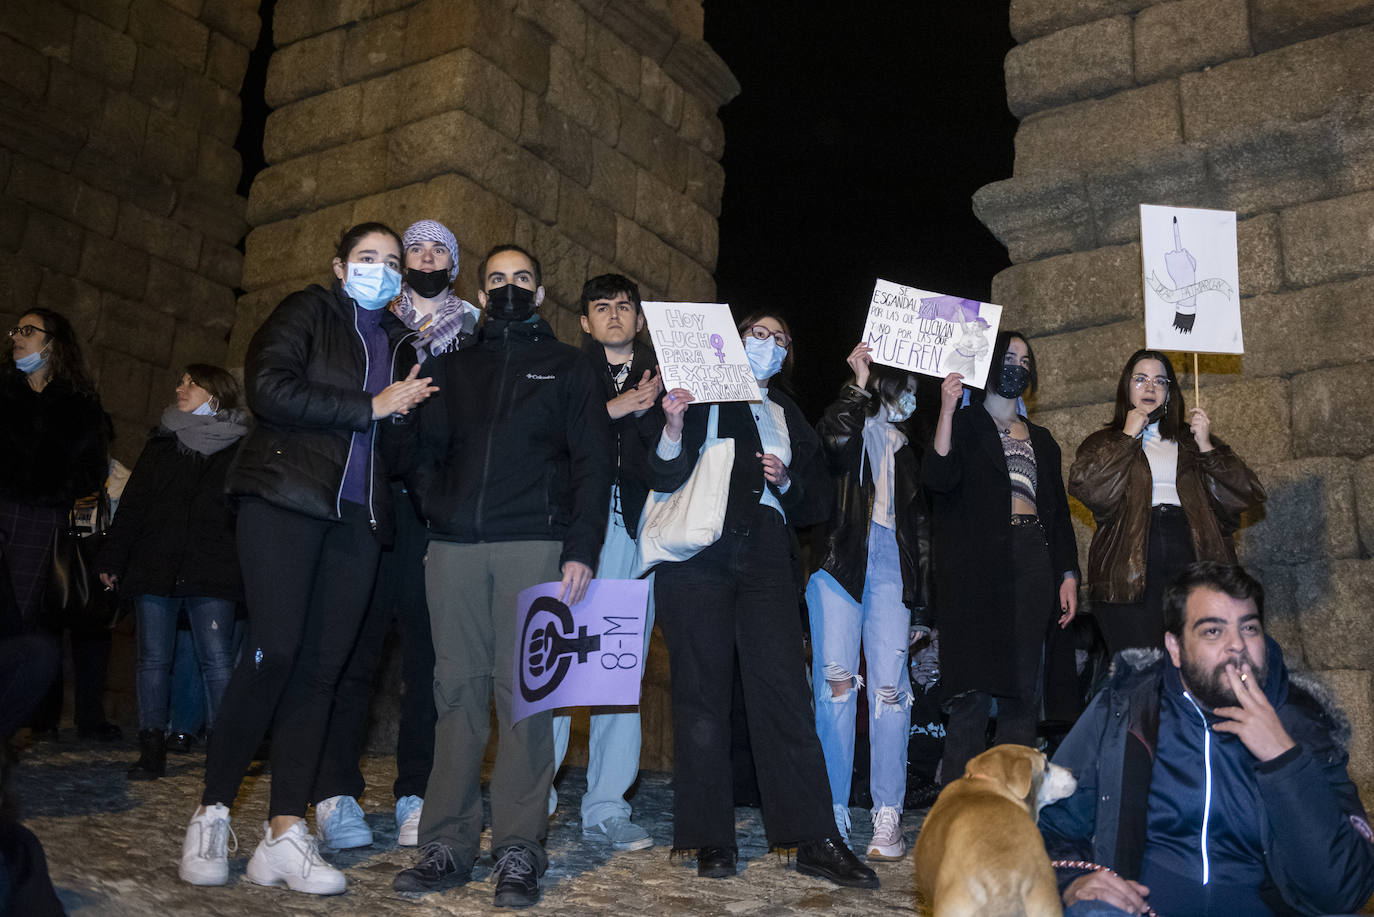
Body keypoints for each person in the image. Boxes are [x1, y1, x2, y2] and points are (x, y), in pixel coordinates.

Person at [177, 221, 437, 895]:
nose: (379, 269)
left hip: (358, 519)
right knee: (274, 652)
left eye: (390, 262)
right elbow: (269, 388)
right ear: (339, 266)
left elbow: (398, 455)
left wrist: (405, 418)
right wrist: (370, 403)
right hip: (287, 498)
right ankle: (210, 810)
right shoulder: (307, 312)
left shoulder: (404, 342)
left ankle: (285, 831)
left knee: (321, 671)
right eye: (366, 258)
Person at [392, 244, 611, 908]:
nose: (510, 287)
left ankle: (519, 845)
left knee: (528, 697)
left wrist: (581, 548)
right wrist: (439, 507)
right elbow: (422, 451)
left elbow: (592, 463)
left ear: (541, 294)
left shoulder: (570, 368)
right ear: (481, 296)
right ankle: (448, 841)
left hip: (536, 546)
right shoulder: (453, 367)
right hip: (456, 548)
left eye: (522, 278)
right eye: (497, 279)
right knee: (454, 692)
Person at [649, 313, 878, 888]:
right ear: (733, 337)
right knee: (701, 694)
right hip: (699, 554)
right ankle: (711, 839)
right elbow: (658, 470)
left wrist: (786, 482)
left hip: (768, 556)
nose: (769, 344)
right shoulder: (694, 393)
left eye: (781, 338)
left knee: (783, 691)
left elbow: (816, 502)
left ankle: (813, 836)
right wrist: (673, 424)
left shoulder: (786, 414)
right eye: (758, 334)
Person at [1039, 561, 1374, 916]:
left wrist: (1283, 759)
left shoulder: (1301, 723)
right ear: (1175, 647)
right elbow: (1045, 826)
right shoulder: (1128, 710)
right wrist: (1069, 884)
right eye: (1213, 631)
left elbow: (1343, 892)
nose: (1237, 647)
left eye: (1249, 628)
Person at [310, 218, 477, 851]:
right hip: (373, 495)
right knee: (352, 646)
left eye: (441, 248)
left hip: (436, 509)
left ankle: (417, 790)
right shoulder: (375, 321)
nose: (427, 256)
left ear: (454, 264)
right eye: (417, 248)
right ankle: (335, 791)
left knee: (429, 655)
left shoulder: (476, 333)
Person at [923, 330, 1080, 785]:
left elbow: (1058, 512)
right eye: (1009, 356)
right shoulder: (968, 423)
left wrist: (1067, 573)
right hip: (975, 566)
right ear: (989, 364)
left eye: (1026, 359)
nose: (1019, 364)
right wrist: (948, 410)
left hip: (1032, 558)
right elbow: (938, 479)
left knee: (1022, 694)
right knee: (971, 693)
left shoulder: (1044, 440)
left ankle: (1013, 811)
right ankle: (956, 809)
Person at [548, 273, 663, 851]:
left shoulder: (665, 378)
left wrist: (665, 416)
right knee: (553, 660)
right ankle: (533, 798)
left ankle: (607, 805)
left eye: (624, 306)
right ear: (584, 322)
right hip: (571, 528)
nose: (614, 314)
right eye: (602, 307)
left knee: (618, 665)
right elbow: (544, 442)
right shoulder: (565, 371)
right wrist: (615, 408)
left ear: (639, 320)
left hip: (633, 528)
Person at [805, 343, 931, 861]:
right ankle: (832, 807)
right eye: (911, 392)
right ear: (887, 385)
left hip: (889, 568)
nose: (914, 403)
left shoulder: (906, 449)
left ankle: (888, 812)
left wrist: (921, 608)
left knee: (889, 689)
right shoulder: (850, 424)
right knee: (837, 683)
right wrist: (857, 381)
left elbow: (921, 535)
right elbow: (831, 440)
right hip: (840, 559)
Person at [97, 365, 248, 780]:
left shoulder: (240, 448)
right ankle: (150, 749)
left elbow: (247, 514)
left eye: (191, 382)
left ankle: (224, 750)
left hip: (212, 567)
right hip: (155, 564)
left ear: (215, 393)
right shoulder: (162, 442)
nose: (180, 388)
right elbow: (135, 503)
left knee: (216, 659)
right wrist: (113, 558)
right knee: (152, 659)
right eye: (180, 381)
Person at [1069, 350, 1265, 658]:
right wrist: (1126, 437)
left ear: (1170, 391)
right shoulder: (1104, 442)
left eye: (1160, 381)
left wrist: (1207, 448)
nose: (1150, 388)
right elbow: (1090, 489)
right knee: (1142, 673)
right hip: (1130, 564)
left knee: (1196, 665)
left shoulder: (1192, 440)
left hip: (1193, 554)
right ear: (1126, 387)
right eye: (1141, 379)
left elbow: (1245, 494)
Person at [0, 309, 115, 738]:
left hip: (39, 519)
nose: (17, 337)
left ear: (52, 343)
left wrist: (55, 490)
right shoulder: (3, 390)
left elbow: (91, 470)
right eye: (16, 330)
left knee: (22, 615)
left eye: (28, 331)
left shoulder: (80, 405)